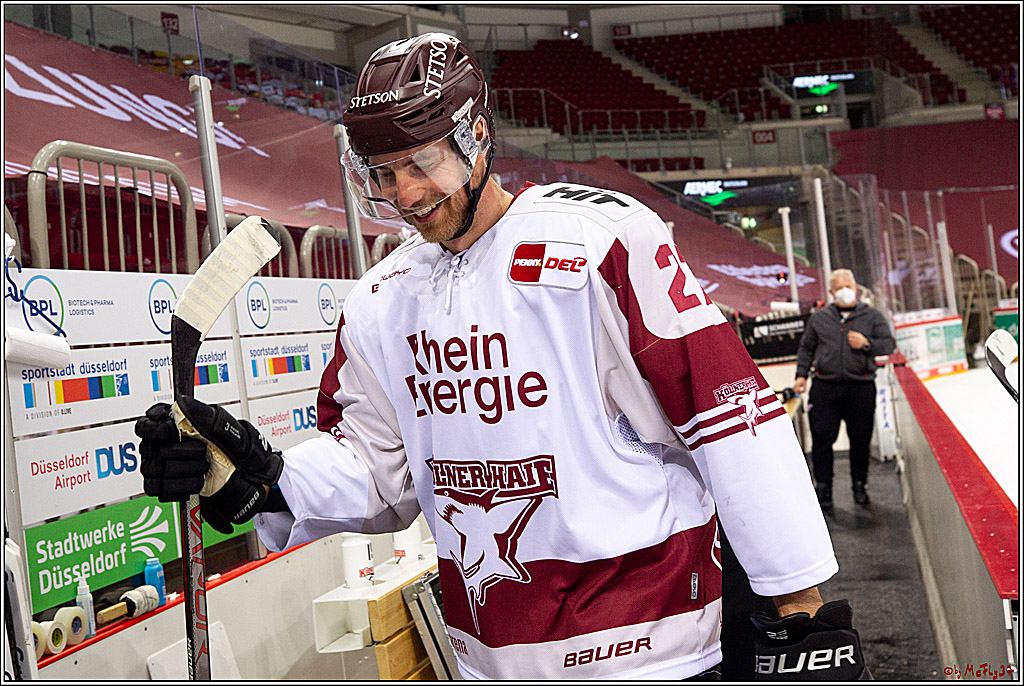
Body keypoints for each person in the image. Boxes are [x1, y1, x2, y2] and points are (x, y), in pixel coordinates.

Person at [137, 33, 866, 680]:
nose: (406, 195)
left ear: (477, 136)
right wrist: (270, 476)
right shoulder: (379, 298)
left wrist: (798, 598)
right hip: (490, 654)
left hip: (655, 647)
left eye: (422, 164)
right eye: (383, 175)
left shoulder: (602, 242)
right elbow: (376, 469)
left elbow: (726, 412)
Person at [795, 269, 896, 514]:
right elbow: (807, 348)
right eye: (838, 287)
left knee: (860, 440)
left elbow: (889, 344)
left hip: (860, 387)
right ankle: (824, 488)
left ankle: (859, 485)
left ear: (855, 288)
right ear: (831, 292)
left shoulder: (871, 316)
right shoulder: (819, 319)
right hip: (825, 388)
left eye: (847, 285)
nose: (844, 290)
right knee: (821, 440)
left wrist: (867, 344)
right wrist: (801, 375)